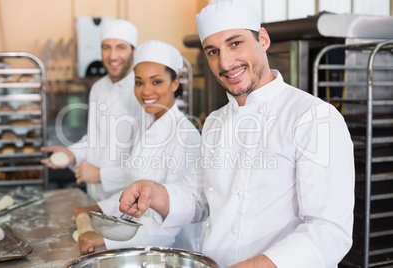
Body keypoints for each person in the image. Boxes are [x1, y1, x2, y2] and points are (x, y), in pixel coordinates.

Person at [118, 0, 355, 267]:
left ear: (262, 39)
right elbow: (198, 198)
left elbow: (328, 230)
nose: (226, 62)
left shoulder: (313, 117)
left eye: (235, 43)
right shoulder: (215, 123)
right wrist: (152, 192)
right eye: (213, 51)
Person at [74, 40, 202, 254]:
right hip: (140, 245)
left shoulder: (185, 137)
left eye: (157, 81)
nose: (146, 91)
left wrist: (106, 240)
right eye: (139, 82)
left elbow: (173, 223)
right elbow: (135, 190)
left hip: (170, 252)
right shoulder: (146, 126)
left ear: (175, 83)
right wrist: (98, 209)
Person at [41, 19, 147, 201]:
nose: (112, 56)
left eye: (120, 47)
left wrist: (101, 175)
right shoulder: (98, 88)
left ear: (134, 52)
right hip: (96, 197)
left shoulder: (144, 93)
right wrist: (72, 153)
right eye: (106, 47)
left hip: (129, 202)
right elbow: (95, 139)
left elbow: (148, 162)